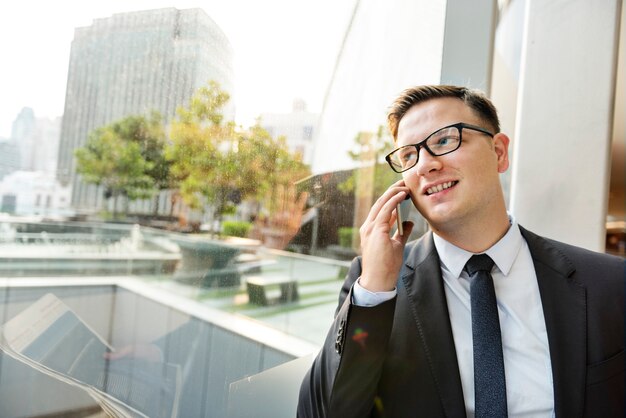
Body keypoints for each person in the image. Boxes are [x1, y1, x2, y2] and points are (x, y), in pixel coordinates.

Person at [297, 85, 624, 417]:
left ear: (498, 152)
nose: (425, 164)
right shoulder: (375, 287)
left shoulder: (608, 283)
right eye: (409, 155)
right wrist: (375, 287)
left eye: (443, 140)